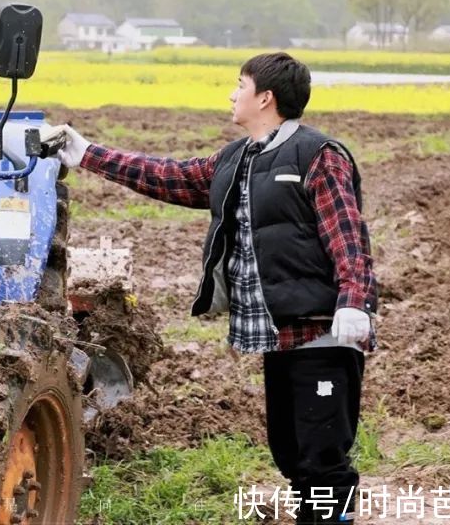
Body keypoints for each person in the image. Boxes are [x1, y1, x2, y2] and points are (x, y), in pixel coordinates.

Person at [42, 52, 377, 525]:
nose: (231, 93)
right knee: (291, 451)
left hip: (323, 329)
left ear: (265, 97)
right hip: (277, 335)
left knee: (322, 455)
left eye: (239, 84)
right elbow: (169, 176)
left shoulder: (317, 156)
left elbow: (348, 235)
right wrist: (88, 153)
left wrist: (354, 302)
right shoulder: (236, 159)